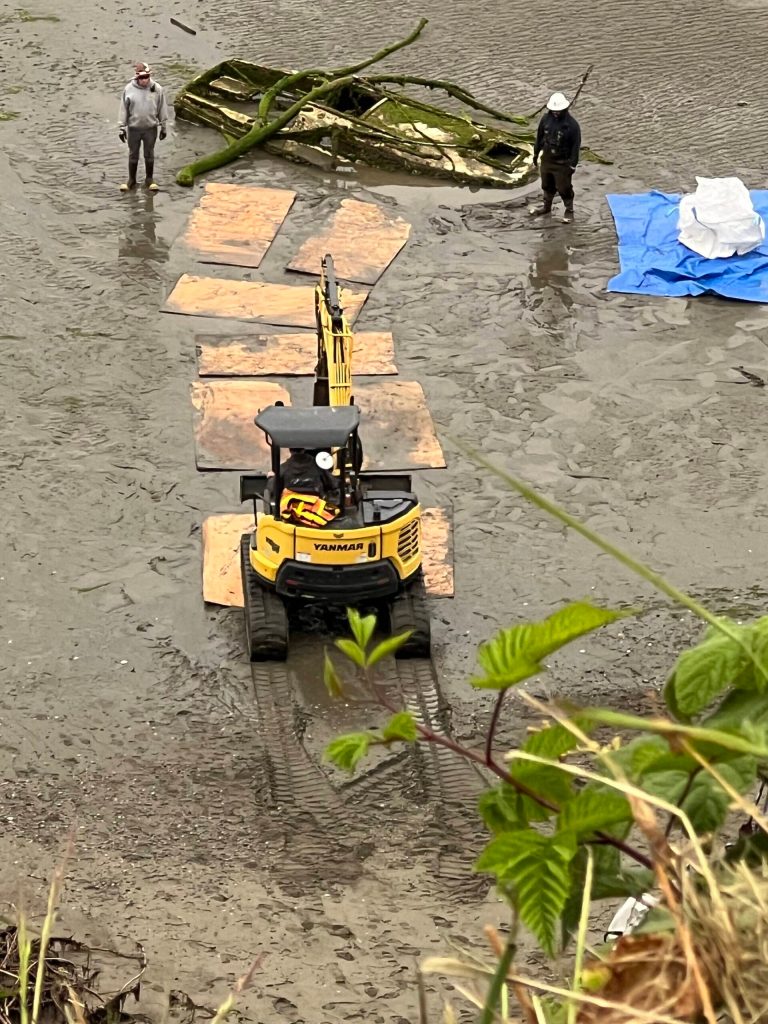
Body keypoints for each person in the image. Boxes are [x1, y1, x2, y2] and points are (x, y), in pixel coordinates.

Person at [530, 92, 581, 223]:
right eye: (553, 110)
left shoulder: (572, 126)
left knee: (564, 188)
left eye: (558, 111)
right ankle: (546, 207)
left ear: (565, 109)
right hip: (547, 159)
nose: (556, 113)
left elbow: (575, 147)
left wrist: (572, 165)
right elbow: (539, 138)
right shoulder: (545, 120)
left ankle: (569, 210)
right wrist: (535, 155)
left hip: (562, 163)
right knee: (547, 185)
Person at [118, 62, 168, 192]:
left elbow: (162, 108)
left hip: (150, 128)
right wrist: (121, 128)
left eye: (146, 77)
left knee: (149, 154)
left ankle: (149, 179)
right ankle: (132, 180)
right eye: (141, 78)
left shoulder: (157, 89)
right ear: (136, 78)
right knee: (133, 154)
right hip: (134, 129)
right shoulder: (128, 89)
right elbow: (123, 109)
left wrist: (163, 127)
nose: (144, 80)